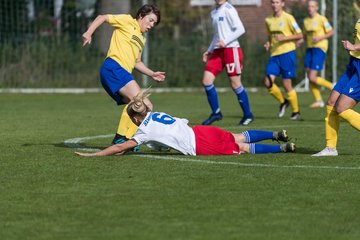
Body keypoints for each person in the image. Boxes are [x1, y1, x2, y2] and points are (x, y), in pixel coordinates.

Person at [75, 89, 296, 157]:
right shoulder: (156, 112)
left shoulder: (143, 130)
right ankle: (277, 133)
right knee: (237, 137)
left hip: (197, 145)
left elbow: (121, 146)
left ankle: (282, 148)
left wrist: (93, 154)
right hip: (198, 130)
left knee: (242, 147)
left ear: (134, 118)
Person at [82, 4, 165, 150]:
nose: (152, 25)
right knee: (140, 102)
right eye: (151, 20)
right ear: (141, 15)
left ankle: (128, 140)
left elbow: (137, 62)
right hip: (113, 67)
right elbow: (103, 17)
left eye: (154, 23)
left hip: (120, 72)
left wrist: (152, 73)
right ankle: (121, 139)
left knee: (143, 107)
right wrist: (89, 33)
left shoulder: (141, 38)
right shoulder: (127, 21)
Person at [201, 0, 254, 126]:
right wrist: (209, 50)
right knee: (206, 81)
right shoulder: (213, 12)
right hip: (218, 51)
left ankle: (248, 115)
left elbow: (240, 29)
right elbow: (217, 35)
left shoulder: (229, 9)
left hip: (232, 50)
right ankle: (216, 113)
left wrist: (225, 41)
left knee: (235, 84)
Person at [312, 19, 360, 157]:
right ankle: (331, 148)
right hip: (353, 64)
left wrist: (354, 47)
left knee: (342, 108)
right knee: (332, 102)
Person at [263, 0, 303, 120]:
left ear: (282, 4)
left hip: (287, 54)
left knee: (287, 85)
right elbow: (270, 36)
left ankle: (296, 112)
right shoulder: (268, 20)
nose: (275, 5)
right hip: (274, 55)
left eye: (277, 2)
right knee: (267, 82)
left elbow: (300, 35)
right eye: (273, 3)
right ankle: (283, 101)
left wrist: (285, 38)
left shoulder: (289, 18)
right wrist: (268, 43)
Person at [297, 0, 334, 108]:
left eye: (312, 6)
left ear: (316, 8)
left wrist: (320, 37)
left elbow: (331, 32)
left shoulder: (322, 19)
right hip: (309, 49)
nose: (310, 8)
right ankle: (318, 100)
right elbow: (304, 35)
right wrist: (300, 41)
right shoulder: (306, 21)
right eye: (309, 6)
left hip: (320, 48)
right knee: (310, 76)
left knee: (312, 77)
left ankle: (333, 86)